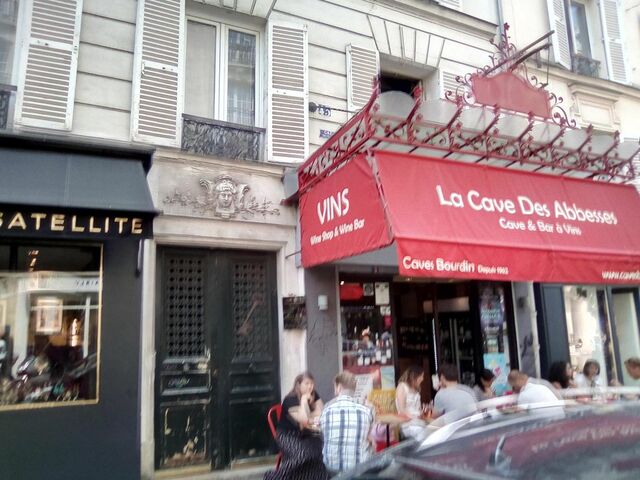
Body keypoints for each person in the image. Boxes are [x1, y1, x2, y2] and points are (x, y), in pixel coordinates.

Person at [264, 372, 328, 480]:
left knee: (319, 450)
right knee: (302, 455)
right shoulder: (290, 399)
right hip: (287, 435)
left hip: (306, 433)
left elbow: (322, 411)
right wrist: (303, 401)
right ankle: (274, 476)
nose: (310, 387)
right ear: (298, 384)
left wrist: (309, 415)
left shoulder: (314, 394)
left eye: (312, 384)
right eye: (307, 383)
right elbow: (304, 420)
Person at [320, 371, 374, 475]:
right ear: (355, 389)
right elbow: (368, 436)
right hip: (358, 469)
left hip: (332, 469)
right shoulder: (366, 411)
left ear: (339, 387)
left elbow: (324, 435)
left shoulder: (327, 410)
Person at [395, 365, 427, 439]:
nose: (422, 379)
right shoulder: (402, 386)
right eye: (421, 376)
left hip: (418, 421)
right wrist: (414, 417)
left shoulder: (417, 389)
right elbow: (402, 409)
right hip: (407, 422)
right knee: (421, 433)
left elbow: (418, 408)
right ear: (414, 376)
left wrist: (423, 412)